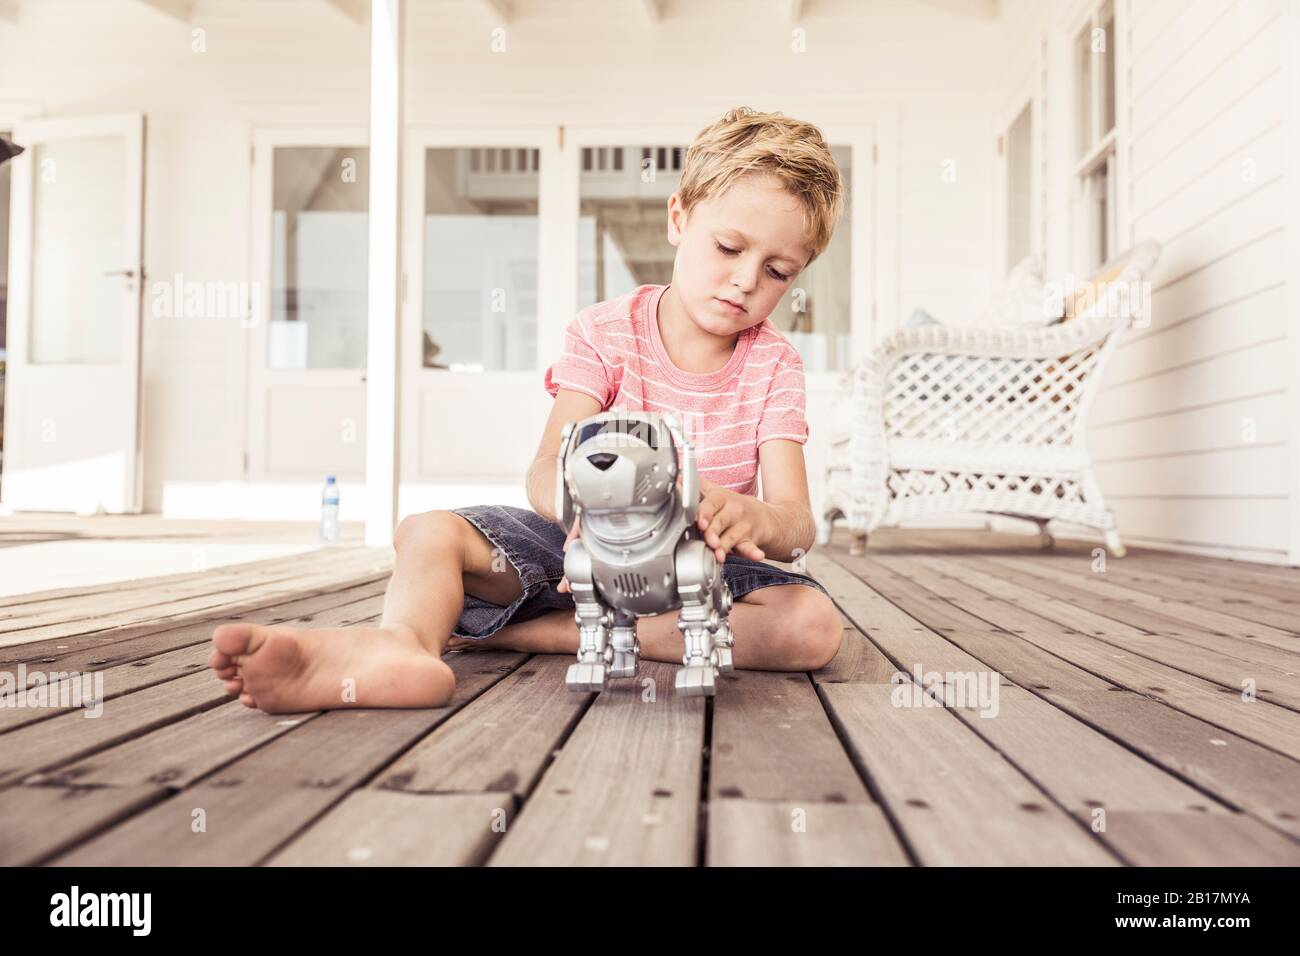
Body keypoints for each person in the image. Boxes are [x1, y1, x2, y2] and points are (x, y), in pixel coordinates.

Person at [209, 106, 846, 713]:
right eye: (729, 248)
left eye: (778, 271)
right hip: (581, 550)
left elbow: (797, 522)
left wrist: (753, 516)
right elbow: (545, 470)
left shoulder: (775, 364)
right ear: (678, 218)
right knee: (427, 531)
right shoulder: (605, 332)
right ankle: (400, 646)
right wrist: (589, 508)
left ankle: (523, 634)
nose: (745, 281)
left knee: (811, 628)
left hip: (700, 573)